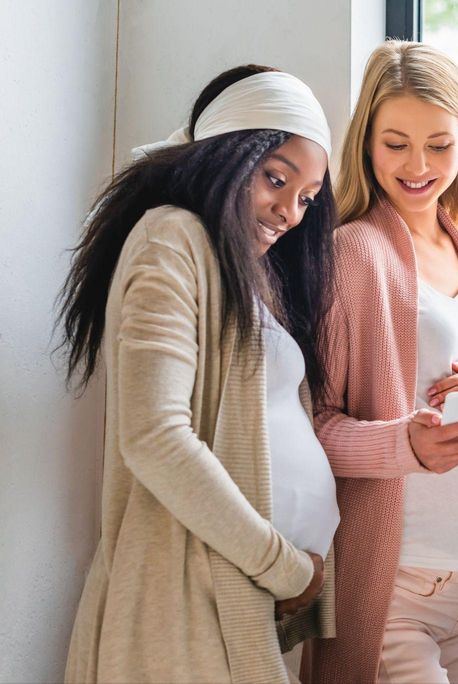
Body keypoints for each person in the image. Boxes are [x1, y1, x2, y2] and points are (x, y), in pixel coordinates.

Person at [59, 65, 340, 683]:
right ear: (225, 154)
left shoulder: (239, 266)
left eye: (307, 198)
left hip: (238, 595)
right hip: (184, 599)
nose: (290, 212)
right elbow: (155, 437)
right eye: (275, 179)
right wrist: (287, 568)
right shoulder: (171, 238)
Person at [303, 41, 458, 684]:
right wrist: (404, 447)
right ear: (366, 142)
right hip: (398, 590)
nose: (418, 165)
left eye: (440, 145)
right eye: (395, 143)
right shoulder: (353, 252)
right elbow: (313, 425)